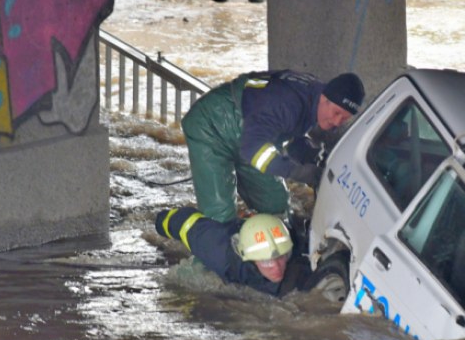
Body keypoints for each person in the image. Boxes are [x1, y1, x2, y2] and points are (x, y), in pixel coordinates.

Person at [182, 70, 366, 223]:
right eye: (336, 113)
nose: (336, 121)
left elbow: (287, 134)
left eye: (344, 118)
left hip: (253, 134)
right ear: (325, 99)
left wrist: (311, 156)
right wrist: (298, 172)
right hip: (213, 126)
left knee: (275, 204)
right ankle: (212, 263)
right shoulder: (289, 104)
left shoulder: (314, 98)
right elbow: (252, 151)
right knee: (220, 215)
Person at [155, 207, 312, 297]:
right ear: (249, 258)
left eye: (281, 258)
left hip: (270, 228)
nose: (277, 268)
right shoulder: (220, 254)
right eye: (267, 262)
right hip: (227, 236)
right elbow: (185, 223)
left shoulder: (295, 247)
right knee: (191, 275)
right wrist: (160, 222)